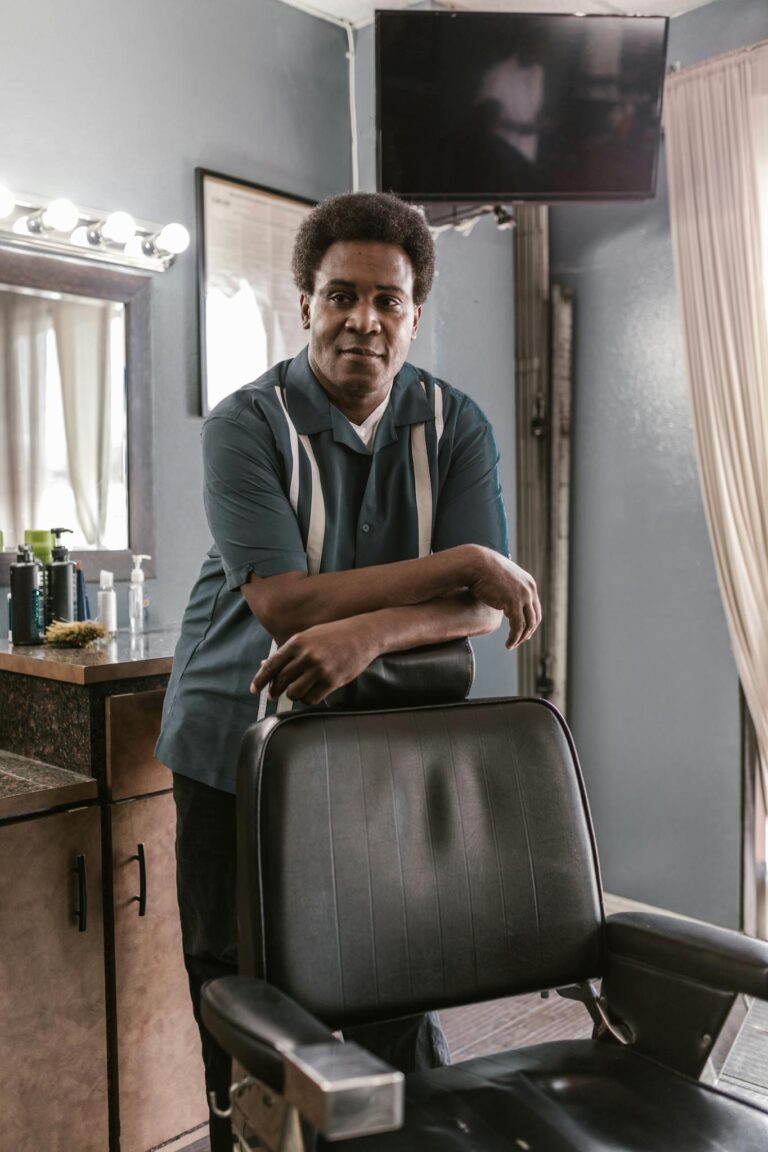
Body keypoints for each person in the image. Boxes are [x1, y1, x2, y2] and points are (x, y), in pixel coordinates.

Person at [156, 191, 540, 1152]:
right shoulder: (246, 423)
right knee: (237, 975)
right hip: (231, 735)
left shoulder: (456, 425)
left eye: (385, 300)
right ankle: (239, 1131)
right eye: (339, 297)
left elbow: (481, 612)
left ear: (415, 314)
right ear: (304, 304)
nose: (361, 321)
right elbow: (285, 602)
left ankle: (409, 1130)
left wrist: (370, 635)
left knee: (391, 965)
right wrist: (460, 562)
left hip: (376, 739)